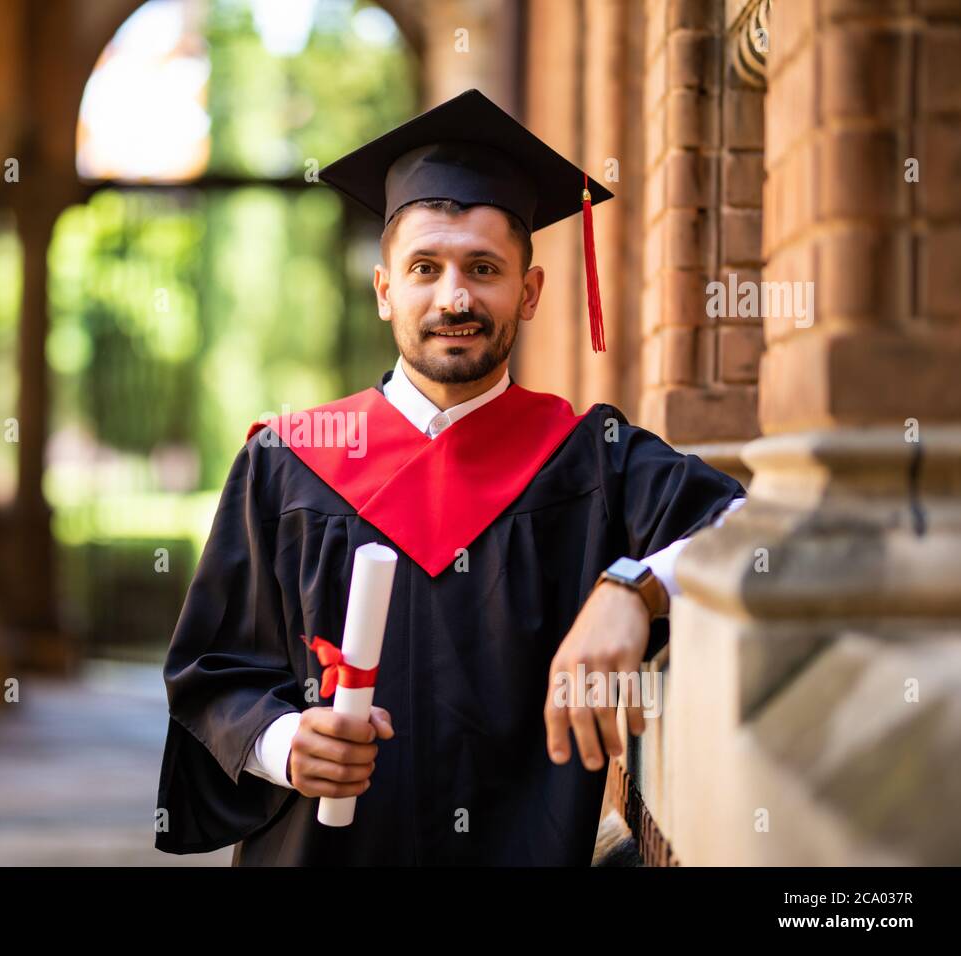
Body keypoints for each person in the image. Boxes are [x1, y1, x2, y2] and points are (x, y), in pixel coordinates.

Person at [153, 89, 746, 865]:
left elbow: (755, 530)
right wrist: (285, 742)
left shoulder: (593, 459)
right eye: (425, 268)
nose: (454, 297)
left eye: (484, 268)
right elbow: (212, 675)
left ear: (527, 294)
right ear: (384, 290)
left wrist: (633, 587)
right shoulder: (287, 464)